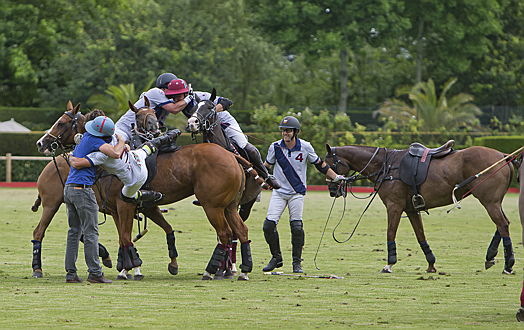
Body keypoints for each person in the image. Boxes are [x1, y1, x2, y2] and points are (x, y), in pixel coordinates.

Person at [262, 116, 346, 273]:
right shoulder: (275, 147)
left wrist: (336, 177)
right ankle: (276, 257)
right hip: (279, 192)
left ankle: (296, 262)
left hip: (297, 193)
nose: (285, 133)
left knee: (297, 227)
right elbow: (266, 166)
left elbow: (320, 164)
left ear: (295, 132)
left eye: (288, 131)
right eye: (283, 130)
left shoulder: (305, 147)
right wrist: (258, 176)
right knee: (268, 226)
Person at [163, 78, 280, 189]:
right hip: (210, 131)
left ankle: (266, 176)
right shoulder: (183, 106)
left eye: (177, 95)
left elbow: (227, 102)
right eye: (173, 97)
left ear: (185, 93)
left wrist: (212, 110)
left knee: (247, 147)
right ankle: (208, 190)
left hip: (226, 124)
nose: (175, 99)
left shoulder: (202, 96)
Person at [70, 116, 181, 205]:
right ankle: (172, 134)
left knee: (127, 196)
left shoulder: (100, 155)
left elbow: (76, 163)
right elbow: (121, 147)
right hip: (137, 158)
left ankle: (154, 195)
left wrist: (71, 155)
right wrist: (123, 142)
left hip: (135, 179)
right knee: (147, 147)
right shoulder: (115, 138)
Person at [63, 116, 119, 284]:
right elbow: (115, 153)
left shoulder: (86, 137)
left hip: (69, 188)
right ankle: (95, 272)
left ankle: (71, 273)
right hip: (82, 191)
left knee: (74, 232)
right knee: (91, 233)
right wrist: (123, 141)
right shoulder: (96, 141)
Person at [114, 72, 192, 143]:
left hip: (140, 135)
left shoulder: (168, 99)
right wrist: (189, 97)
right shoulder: (156, 92)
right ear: (164, 88)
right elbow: (174, 109)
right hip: (123, 131)